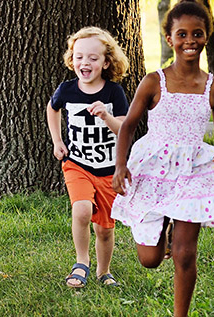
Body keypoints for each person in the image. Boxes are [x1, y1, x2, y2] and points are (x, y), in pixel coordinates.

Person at [112, 1, 214, 315]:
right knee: (150, 259)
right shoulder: (154, 81)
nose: (190, 41)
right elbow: (128, 125)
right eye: (181, 34)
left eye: (197, 33)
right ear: (169, 39)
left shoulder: (211, 85)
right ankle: (163, 225)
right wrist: (120, 166)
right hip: (153, 168)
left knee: (185, 254)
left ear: (207, 36)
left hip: (194, 171)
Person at [46, 26, 130, 288]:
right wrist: (58, 141)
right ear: (72, 59)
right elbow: (52, 108)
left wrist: (106, 115)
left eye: (93, 58)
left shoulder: (113, 93)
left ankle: (104, 272)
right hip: (77, 164)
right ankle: (81, 262)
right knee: (81, 210)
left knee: (105, 229)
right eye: (79, 56)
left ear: (106, 62)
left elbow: (124, 129)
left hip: (108, 169)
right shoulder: (67, 89)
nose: (85, 62)